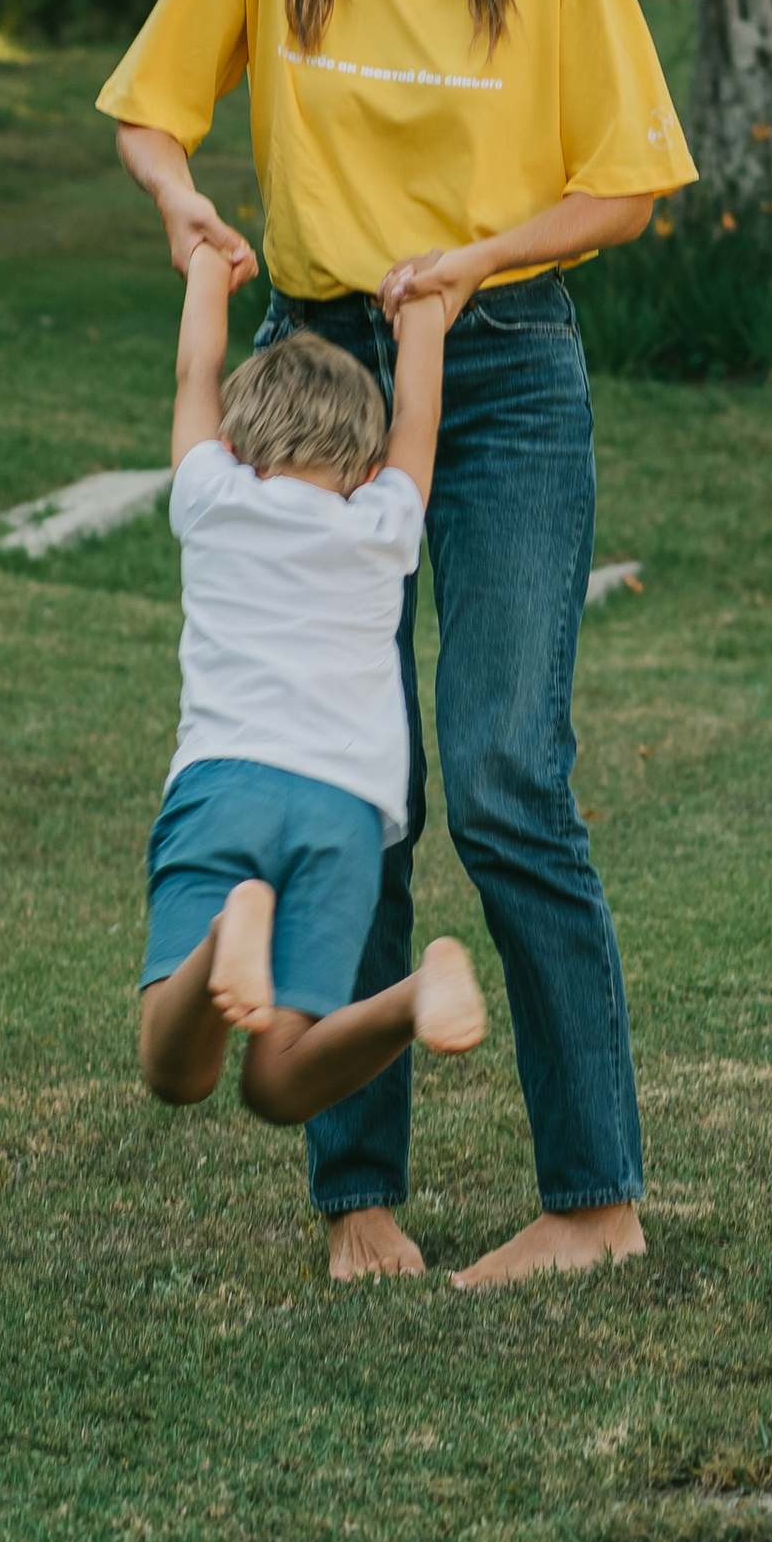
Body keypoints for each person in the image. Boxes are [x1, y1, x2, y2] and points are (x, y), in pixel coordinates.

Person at [99, 0, 697, 1288]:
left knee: (506, 772)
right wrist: (181, 198)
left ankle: (595, 1202)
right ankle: (357, 1199)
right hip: (314, 373)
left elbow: (628, 185)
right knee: (348, 784)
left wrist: (474, 261)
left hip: (498, 367)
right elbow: (152, 110)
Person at [136, 243, 489, 1124]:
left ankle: (225, 933)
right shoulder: (382, 522)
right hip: (343, 813)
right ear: (368, 473)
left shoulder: (211, 495)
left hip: (226, 787)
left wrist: (210, 269)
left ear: (230, 445)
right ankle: (414, 995)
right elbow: (419, 412)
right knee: (280, 1083)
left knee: (175, 1074)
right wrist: (423, 314)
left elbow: (194, 371)